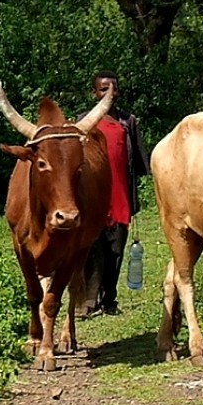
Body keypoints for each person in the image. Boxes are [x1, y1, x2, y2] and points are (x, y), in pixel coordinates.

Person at [76, 70, 150, 316]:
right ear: (94, 93)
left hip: (120, 200)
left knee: (115, 252)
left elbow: (140, 164)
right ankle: (88, 300)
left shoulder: (128, 122)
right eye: (103, 89)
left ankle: (109, 299)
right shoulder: (82, 123)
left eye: (113, 88)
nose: (109, 93)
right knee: (91, 250)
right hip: (92, 200)